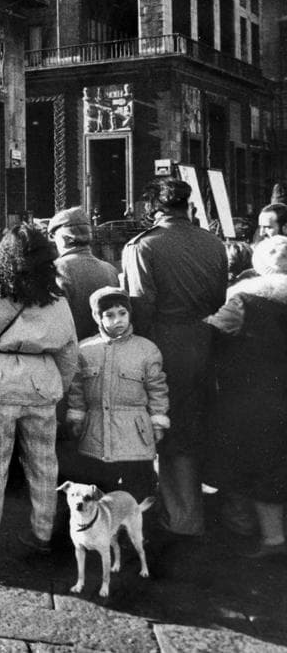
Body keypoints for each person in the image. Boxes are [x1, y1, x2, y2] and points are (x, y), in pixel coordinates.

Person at [0, 224, 79, 555]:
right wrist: (56, 388)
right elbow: (68, 352)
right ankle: (42, 533)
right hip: (41, 382)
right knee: (44, 464)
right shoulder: (56, 298)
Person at [121, 177, 227, 538]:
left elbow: (140, 307)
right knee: (195, 424)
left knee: (168, 428)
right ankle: (188, 505)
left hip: (163, 345)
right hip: (204, 340)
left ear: (154, 208)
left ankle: (182, 517)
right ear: (187, 206)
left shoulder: (143, 247)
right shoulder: (214, 244)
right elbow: (219, 299)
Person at [204, 235, 287, 558]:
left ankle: (272, 538)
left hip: (256, 399)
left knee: (260, 464)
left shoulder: (245, 302)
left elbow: (212, 336)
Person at [65, 286, 169, 501]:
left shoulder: (146, 349)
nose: (117, 320)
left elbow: (157, 388)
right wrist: (77, 415)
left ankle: (139, 532)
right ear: (97, 317)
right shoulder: (85, 350)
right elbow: (77, 390)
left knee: (139, 492)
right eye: (109, 315)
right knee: (100, 493)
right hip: (96, 436)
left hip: (135, 438)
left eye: (122, 313)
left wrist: (158, 421)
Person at [48, 206, 119, 342]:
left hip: (69, 350)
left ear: (64, 239)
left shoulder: (54, 270)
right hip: (104, 350)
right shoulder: (110, 270)